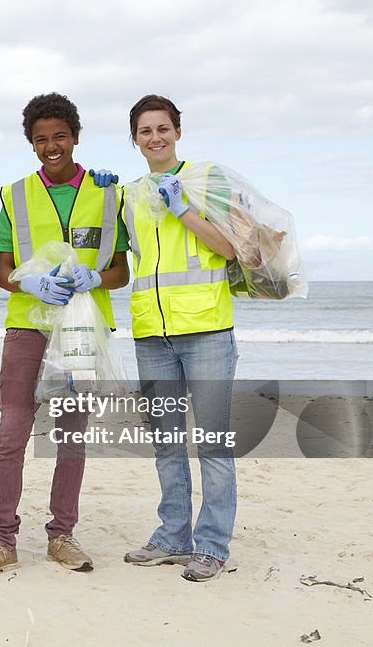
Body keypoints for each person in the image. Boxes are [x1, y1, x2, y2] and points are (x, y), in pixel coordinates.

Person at [0, 93, 129, 579]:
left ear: (75, 137)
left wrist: (98, 279)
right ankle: (1, 540)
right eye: (40, 139)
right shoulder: (13, 195)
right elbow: (4, 265)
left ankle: (62, 535)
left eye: (59, 136)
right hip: (28, 326)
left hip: (81, 330)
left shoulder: (108, 193)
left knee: (72, 435)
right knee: (12, 431)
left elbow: (121, 269)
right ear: (31, 144)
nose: (51, 146)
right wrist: (29, 282)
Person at [100, 94, 239, 582]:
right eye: (144, 131)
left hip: (206, 330)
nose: (154, 137)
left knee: (214, 444)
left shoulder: (205, 181)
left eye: (162, 128)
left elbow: (229, 248)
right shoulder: (128, 195)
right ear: (134, 139)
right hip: (151, 335)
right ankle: (173, 536)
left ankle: (213, 545)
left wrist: (183, 208)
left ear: (177, 130)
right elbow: (115, 260)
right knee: (166, 443)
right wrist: (102, 196)